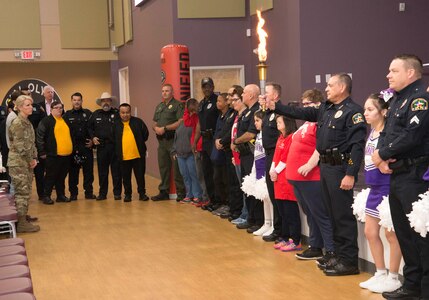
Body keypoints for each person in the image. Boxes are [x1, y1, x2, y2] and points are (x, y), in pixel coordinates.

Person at [261, 73, 366, 276]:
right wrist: (276, 106)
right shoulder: (326, 109)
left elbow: (357, 147)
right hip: (326, 168)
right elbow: (299, 112)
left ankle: (349, 261)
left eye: (330, 85)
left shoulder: (353, 112)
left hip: (339, 168)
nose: (326, 88)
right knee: (332, 215)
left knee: (342, 216)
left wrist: (351, 173)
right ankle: (335, 254)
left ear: (342, 87)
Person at [371, 54, 429, 300]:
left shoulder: (419, 100)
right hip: (397, 175)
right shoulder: (396, 101)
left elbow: (412, 136)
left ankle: (424, 289)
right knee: (403, 233)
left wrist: (382, 153)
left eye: (394, 71)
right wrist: (380, 157)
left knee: (419, 235)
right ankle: (412, 284)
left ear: (410, 73)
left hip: (415, 174)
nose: (388, 75)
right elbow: (387, 132)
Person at [358, 93, 402, 294]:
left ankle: (394, 277)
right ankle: (380, 272)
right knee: (370, 232)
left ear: (383, 112)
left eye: (370, 109)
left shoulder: (389, 134)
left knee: (391, 234)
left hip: (387, 188)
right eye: (365, 109)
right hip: (373, 188)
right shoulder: (372, 132)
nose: (365, 113)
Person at [286, 89, 335, 260]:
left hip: (311, 177)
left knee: (320, 214)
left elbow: (320, 146)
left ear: (317, 104)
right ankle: (315, 246)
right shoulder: (305, 124)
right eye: (303, 104)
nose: (305, 108)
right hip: (297, 178)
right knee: (311, 214)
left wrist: (310, 164)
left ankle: (330, 250)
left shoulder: (319, 122)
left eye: (308, 104)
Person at [232, 84, 263, 233]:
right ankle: (250, 218)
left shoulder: (255, 111)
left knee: (254, 188)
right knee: (247, 188)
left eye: (244, 93)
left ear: (251, 95)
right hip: (244, 155)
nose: (242, 95)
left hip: (252, 154)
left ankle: (258, 220)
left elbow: (251, 134)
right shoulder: (247, 112)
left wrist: (236, 141)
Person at [8, 95, 40, 233]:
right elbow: (20, 146)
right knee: (21, 193)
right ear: (20, 107)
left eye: (31, 105)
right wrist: (30, 160)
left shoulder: (27, 122)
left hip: (25, 162)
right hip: (19, 163)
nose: (30, 107)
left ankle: (23, 218)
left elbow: (31, 143)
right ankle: (21, 223)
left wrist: (34, 157)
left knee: (25, 192)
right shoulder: (17, 123)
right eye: (27, 105)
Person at [271, 115, 301, 251]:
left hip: (286, 179)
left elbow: (287, 158)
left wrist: (276, 171)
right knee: (282, 210)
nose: (277, 124)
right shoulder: (280, 137)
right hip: (277, 179)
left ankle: (295, 240)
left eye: (279, 122)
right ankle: (284, 237)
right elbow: (276, 156)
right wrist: (272, 169)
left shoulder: (291, 137)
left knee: (290, 211)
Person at [151, 84, 185, 201]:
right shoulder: (159, 106)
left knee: (177, 168)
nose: (164, 93)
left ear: (172, 92)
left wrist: (165, 128)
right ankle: (164, 192)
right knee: (163, 167)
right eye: (163, 91)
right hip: (162, 142)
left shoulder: (178, 105)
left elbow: (181, 122)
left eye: (167, 91)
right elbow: (154, 122)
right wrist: (156, 129)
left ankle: (181, 193)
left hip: (173, 141)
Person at [241, 110, 272, 236]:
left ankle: (273, 226)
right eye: (254, 121)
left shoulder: (267, 136)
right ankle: (267, 223)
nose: (255, 123)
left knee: (269, 199)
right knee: (264, 198)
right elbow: (256, 154)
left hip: (266, 169)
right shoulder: (259, 135)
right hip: (258, 169)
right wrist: (254, 171)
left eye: (257, 121)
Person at [215, 85, 244, 221]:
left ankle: (238, 211)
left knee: (236, 183)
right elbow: (226, 129)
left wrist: (223, 140)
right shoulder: (232, 113)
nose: (229, 98)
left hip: (238, 152)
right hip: (228, 151)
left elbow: (234, 133)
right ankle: (234, 209)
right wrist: (219, 140)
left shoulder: (239, 113)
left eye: (232, 95)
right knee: (230, 182)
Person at [36, 100, 73, 204]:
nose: (59, 110)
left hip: (66, 155)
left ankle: (60, 196)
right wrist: (42, 152)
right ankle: (46, 196)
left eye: (61, 107)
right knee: (50, 177)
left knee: (61, 177)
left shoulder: (65, 120)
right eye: (56, 107)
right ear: (51, 109)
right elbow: (39, 137)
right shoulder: (46, 121)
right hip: (53, 155)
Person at [259, 83, 283, 242]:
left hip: (277, 155)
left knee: (278, 195)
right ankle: (277, 227)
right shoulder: (267, 113)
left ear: (275, 96)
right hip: (268, 154)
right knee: (272, 193)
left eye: (266, 93)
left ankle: (281, 230)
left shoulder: (280, 112)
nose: (264, 96)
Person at [88, 92, 122, 201]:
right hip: (101, 147)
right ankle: (102, 194)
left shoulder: (117, 113)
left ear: (111, 102)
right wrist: (93, 137)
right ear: (101, 103)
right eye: (103, 101)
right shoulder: (95, 114)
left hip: (115, 147)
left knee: (116, 171)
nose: (105, 103)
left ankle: (117, 193)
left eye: (107, 100)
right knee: (102, 172)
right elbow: (89, 127)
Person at [63, 92, 96, 200]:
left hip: (86, 147)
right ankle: (73, 194)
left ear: (82, 101)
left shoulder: (88, 113)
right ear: (71, 101)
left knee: (88, 172)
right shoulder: (67, 115)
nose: (77, 102)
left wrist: (92, 140)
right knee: (73, 173)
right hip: (73, 148)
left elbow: (94, 129)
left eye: (79, 100)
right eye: (74, 100)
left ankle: (89, 193)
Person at [114, 103, 149, 202]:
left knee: (140, 176)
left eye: (127, 112)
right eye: (123, 112)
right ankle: (127, 195)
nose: (125, 115)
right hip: (123, 157)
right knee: (126, 177)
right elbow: (113, 139)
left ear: (130, 112)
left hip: (138, 155)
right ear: (119, 113)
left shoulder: (138, 122)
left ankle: (142, 194)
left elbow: (145, 134)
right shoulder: (115, 124)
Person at [193, 77, 219, 209]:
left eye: (209, 86)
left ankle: (220, 201)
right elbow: (199, 123)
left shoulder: (217, 101)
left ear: (213, 87)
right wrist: (195, 141)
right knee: (206, 171)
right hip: (205, 141)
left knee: (217, 173)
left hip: (214, 140)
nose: (206, 89)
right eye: (204, 86)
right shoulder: (202, 103)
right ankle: (211, 199)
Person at [171, 101, 202, 204]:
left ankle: (197, 195)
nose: (191, 113)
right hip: (180, 154)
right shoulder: (181, 122)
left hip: (190, 154)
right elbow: (176, 138)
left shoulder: (195, 121)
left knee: (193, 174)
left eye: (193, 111)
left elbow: (196, 137)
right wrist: (174, 151)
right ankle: (189, 195)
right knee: (185, 175)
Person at [183, 98, 209, 206]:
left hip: (202, 146)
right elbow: (187, 123)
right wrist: (187, 111)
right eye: (191, 111)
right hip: (196, 147)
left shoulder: (201, 116)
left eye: (194, 111)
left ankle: (206, 197)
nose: (193, 113)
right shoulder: (193, 116)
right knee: (199, 174)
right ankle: (203, 196)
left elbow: (199, 129)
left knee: (203, 174)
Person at [210, 93, 230, 215]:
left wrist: (221, 141)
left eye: (220, 101)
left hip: (224, 150)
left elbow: (226, 131)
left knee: (225, 179)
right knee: (217, 178)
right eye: (217, 101)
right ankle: (221, 202)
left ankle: (227, 203)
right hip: (216, 149)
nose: (217, 103)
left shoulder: (229, 115)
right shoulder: (220, 115)